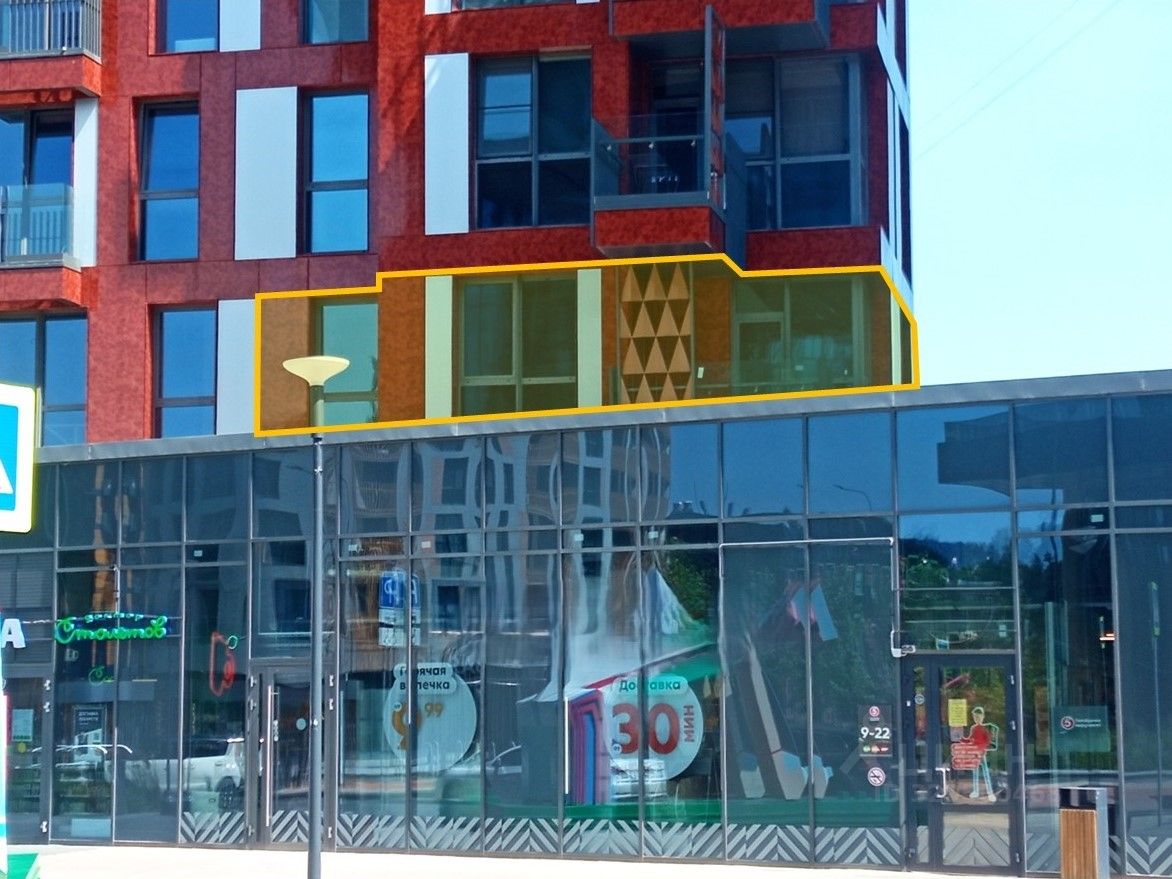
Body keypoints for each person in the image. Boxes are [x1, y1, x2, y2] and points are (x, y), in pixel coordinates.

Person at [963, 705, 996, 801]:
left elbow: (987, 741)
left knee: (985, 772)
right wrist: (964, 740)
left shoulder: (984, 729)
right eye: (975, 717)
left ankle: (990, 793)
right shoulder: (973, 728)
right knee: (975, 772)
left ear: (982, 717)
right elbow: (971, 739)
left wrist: (982, 749)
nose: (976, 719)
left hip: (981, 753)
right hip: (975, 752)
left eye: (978, 717)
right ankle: (976, 791)